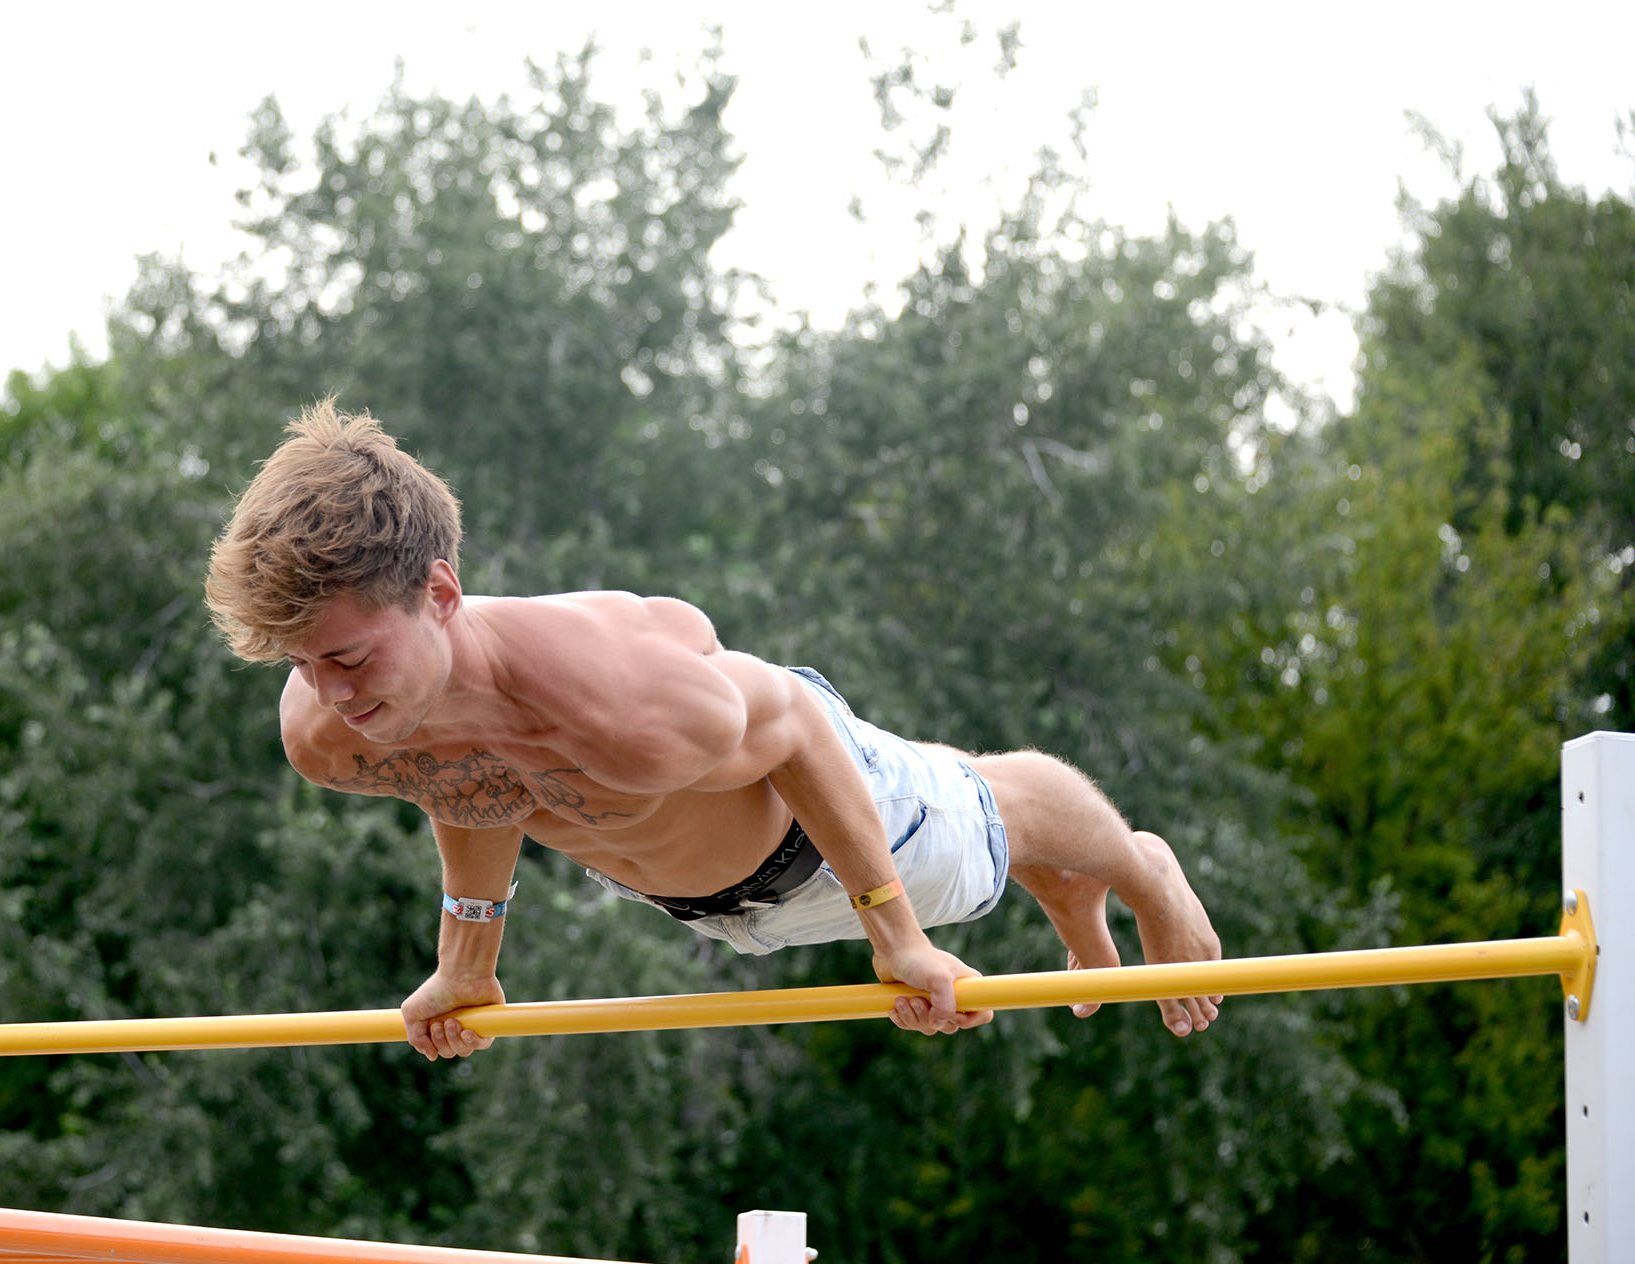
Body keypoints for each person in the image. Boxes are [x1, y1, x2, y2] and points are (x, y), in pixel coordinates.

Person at [205, 400, 1223, 1061]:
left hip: (813, 835)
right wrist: (466, 960)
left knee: (976, 815)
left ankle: (1141, 871)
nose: (328, 691)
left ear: (438, 594)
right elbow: (470, 783)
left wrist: (897, 937)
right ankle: (1061, 876)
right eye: (301, 663)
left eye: (347, 658)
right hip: (705, 899)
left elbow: (795, 723)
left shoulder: (621, 702)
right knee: (962, 804)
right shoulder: (336, 728)